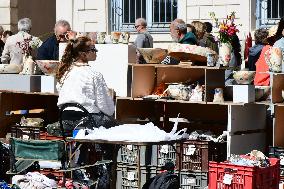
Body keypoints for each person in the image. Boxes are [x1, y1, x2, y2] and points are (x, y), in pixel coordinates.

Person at [56, 36, 117, 133]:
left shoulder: (66, 72)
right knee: (115, 126)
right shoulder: (94, 74)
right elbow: (105, 107)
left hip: (65, 119)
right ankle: (99, 148)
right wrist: (111, 111)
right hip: (87, 120)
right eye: (93, 49)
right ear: (83, 54)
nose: (96, 51)